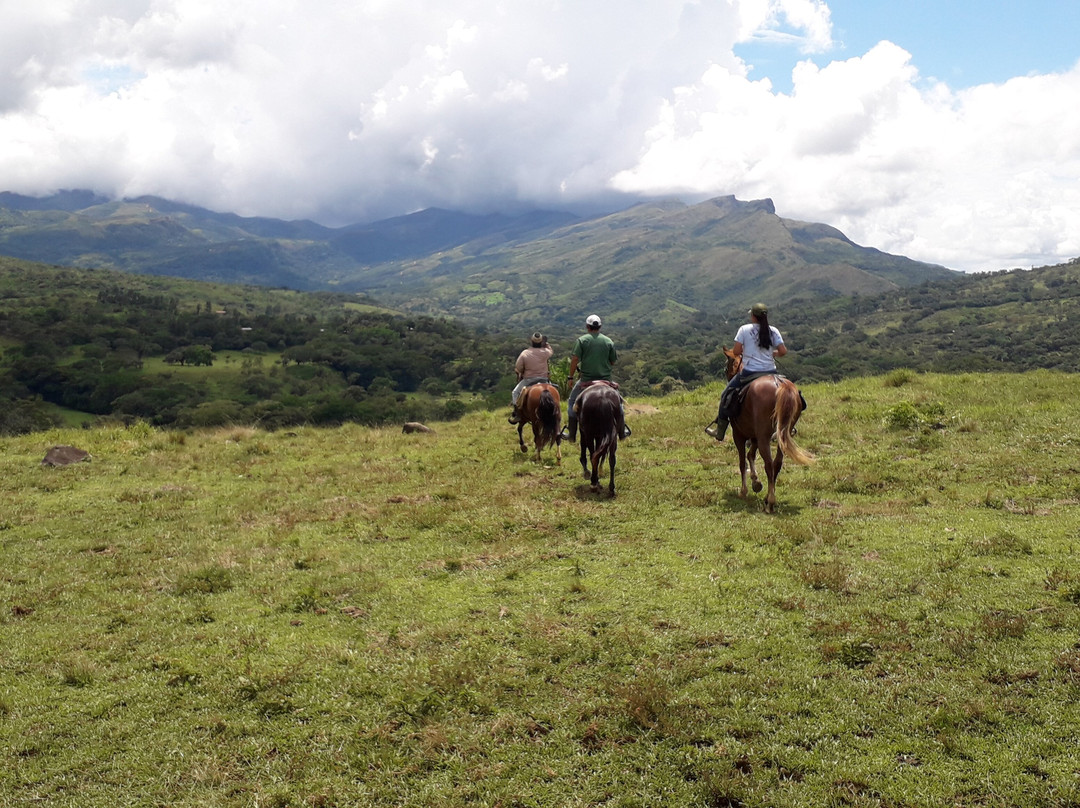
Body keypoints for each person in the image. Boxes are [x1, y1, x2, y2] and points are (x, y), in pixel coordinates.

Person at [707, 302, 787, 441]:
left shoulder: (744, 329)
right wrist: (771, 354)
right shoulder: (773, 330)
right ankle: (789, 427)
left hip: (750, 372)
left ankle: (720, 431)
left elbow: (737, 351)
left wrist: (749, 351)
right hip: (771, 371)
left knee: (725, 394)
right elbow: (783, 351)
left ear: (753, 316)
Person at [562, 314, 631, 441]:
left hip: (586, 380)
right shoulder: (608, 341)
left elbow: (575, 359)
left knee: (572, 402)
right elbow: (612, 361)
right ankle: (621, 432)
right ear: (600, 326)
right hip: (606, 380)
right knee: (619, 404)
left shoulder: (582, 340)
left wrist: (570, 377)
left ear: (587, 326)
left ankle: (571, 434)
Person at [508, 331, 554, 424]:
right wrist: (546, 344)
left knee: (515, 392)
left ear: (531, 341)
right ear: (541, 342)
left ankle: (517, 414)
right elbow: (551, 351)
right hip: (544, 380)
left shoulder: (525, 353)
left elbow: (518, 368)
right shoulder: (545, 352)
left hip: (529, 380)